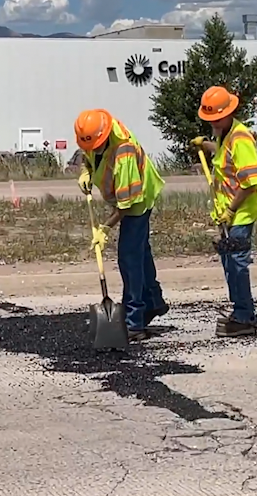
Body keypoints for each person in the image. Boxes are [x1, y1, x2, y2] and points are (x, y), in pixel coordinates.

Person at [74, 109, 168, 341]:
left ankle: (134, 321)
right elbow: (86, 156)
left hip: (137, 199)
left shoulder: (123, 151)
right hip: (125, 199)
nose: (92, 148)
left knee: (130, 257)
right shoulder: (94, 132)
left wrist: (105, 228)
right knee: (140, 253)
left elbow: (126, 206)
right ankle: (153, 302)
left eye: (96, 145)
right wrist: (85, 171)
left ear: (105, 136)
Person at [189, 86, 257, 337]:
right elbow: (225, 156)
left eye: (214, 119)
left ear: (228, 113)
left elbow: (251, 181)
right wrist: (208, 145)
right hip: (228, 213)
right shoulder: (226, 135)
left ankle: (245, 317)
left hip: (240, 213)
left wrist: (231, 210)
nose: (211, 123)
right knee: (228, 261)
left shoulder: (241, 138)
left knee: (237, 264)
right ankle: (239, 311)